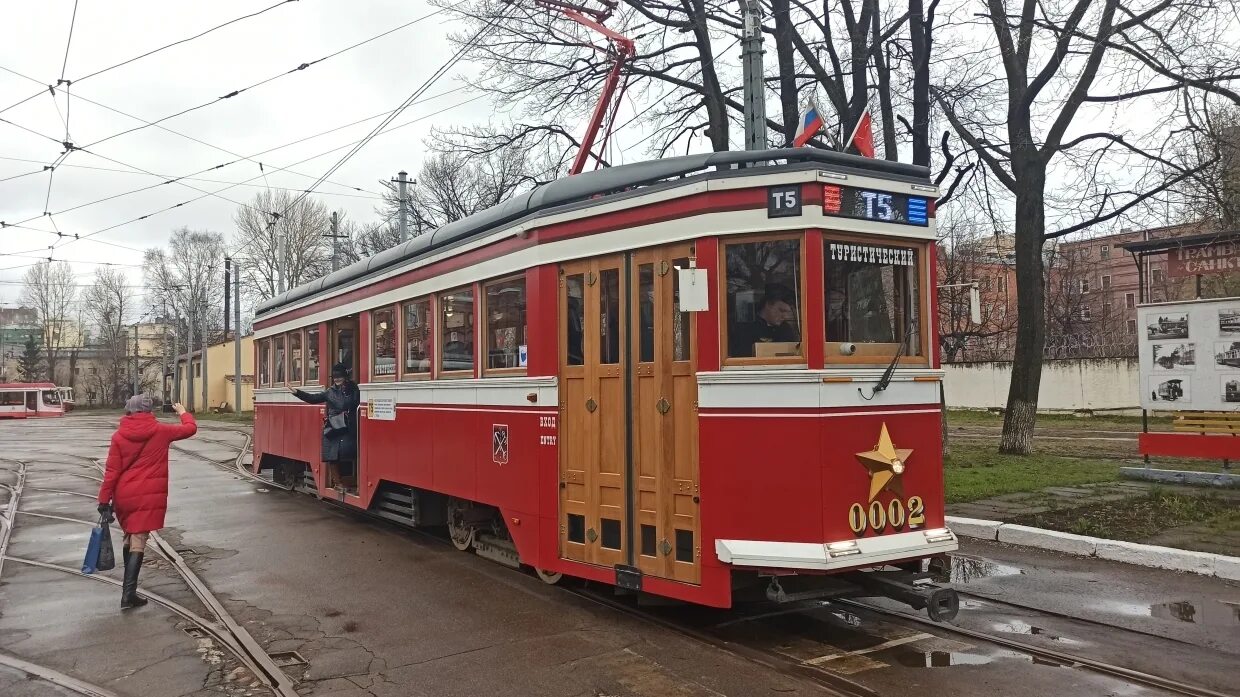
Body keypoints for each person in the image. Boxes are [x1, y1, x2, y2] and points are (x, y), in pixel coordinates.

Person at [96, 395, 197, 610]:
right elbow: (190, 428)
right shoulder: (162, 431)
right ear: (149, 411)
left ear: (130, 411)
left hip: (124, 495)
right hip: (148, 495)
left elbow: (112, 472)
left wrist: (104, 499)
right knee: (138, 540)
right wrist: (182, 412)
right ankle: (128, 595)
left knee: (129, 537)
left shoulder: (118, 436)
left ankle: (128, 589)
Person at [289, 363, 360, 488]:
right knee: (332, 454)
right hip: (334, 426)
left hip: (349, 425)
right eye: (335, 377)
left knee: (349, 450)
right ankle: (337, 481)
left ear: (345, 377)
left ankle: (352, 478)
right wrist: (297, 392)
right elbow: (313, 398)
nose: (337, 379)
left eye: (340, 376)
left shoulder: (352, 389)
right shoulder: (330, 391)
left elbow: (354, 403)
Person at [730, 283, 800, 357]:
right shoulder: (745, 329)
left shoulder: (785, 329)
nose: (785, 316)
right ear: (768, 304)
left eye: (787, 312)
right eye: (781, 310)